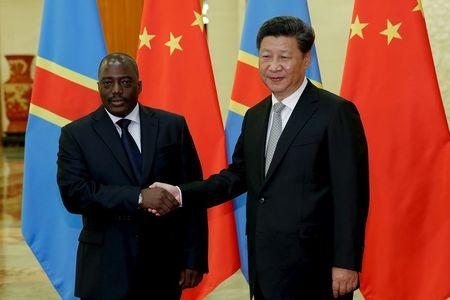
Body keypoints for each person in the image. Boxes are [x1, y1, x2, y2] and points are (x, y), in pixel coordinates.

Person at [151, 16, 369, 299]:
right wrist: (180, 193)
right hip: (264, 264)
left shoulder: (335, 112)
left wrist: (346, 262)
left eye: (284, 57)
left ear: (306, 59)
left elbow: (351, 193)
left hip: (316, 267)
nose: (273, 66)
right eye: (266, 56)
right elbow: (237, 176)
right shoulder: (255, 116)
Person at [57, 53, 207, 300]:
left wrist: (193, 258)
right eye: (108, 83)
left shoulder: (172, 126)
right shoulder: (75, 135)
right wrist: (138, 198)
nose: (116, 90)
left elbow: (193, 194)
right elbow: (75, 195)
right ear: (98, 87)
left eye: (125, 82)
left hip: (163, 268)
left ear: (139, 86)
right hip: (105, 270)